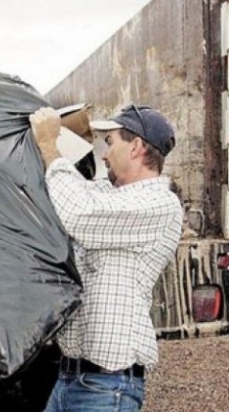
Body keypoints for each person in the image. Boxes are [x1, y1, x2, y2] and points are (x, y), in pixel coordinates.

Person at [29, 105, 183, 412]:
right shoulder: (107, 195)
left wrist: (49, 145)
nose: (103, 154)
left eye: (109, 142)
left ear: (137, 147)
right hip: (68, 377)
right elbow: (67, 193)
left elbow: (76, 213)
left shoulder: (160, 203)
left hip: (105, 388)